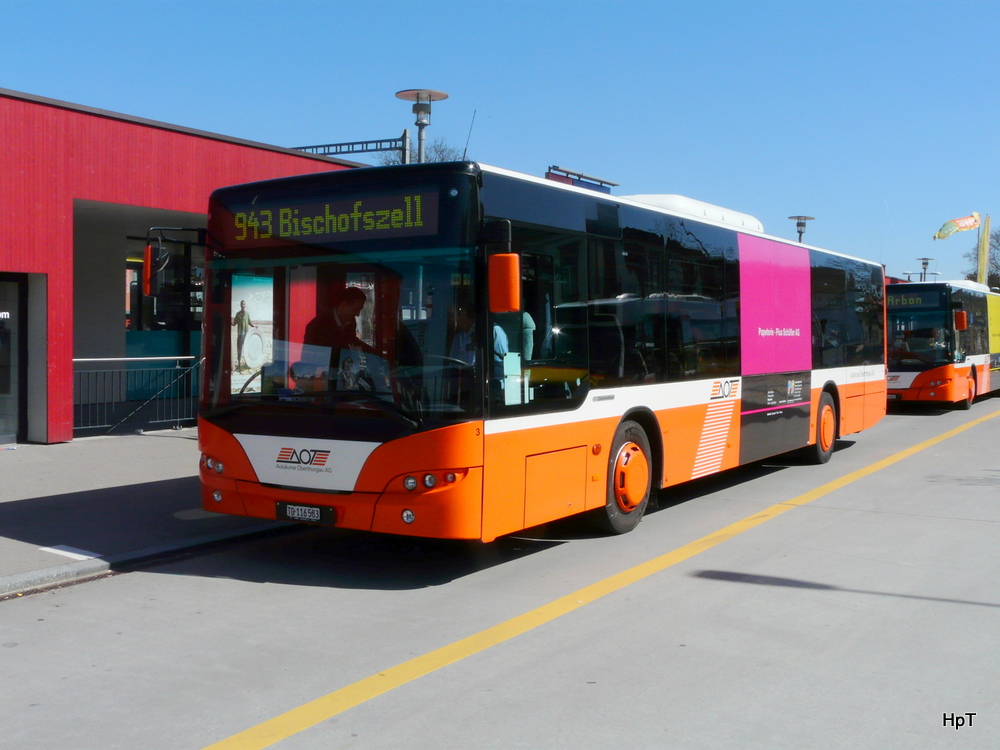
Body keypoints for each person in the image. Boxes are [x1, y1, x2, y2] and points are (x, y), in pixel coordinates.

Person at [304, 286, 376, 356]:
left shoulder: (351, 322)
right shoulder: (317, 325)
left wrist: (373, 353)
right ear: (343, 305)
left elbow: (352, 340)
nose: (357, 314)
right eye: (355, 310)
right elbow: (309, 356)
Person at [231, 300, 256, 372]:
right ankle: (239, 364)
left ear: (245, 305)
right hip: (240, 334)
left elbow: (249, 322)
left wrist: (254, 326)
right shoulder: (237, 314)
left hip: (246, 335)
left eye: (244, 304)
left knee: (247, 349)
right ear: (240, 305)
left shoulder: (247, 314)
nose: (243, 305)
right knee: (239, 349)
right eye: (242, 304)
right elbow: (234, 323)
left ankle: (247, 363)